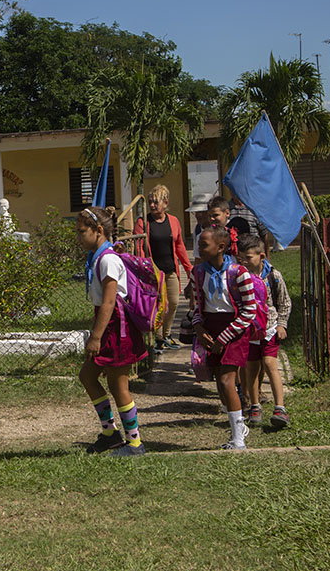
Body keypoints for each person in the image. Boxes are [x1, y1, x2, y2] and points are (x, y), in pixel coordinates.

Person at [78, 206, 148, 456]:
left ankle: (135, 443)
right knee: (87, 376)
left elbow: (109, 303)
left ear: (98, 231)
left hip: (117, 328)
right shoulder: (98, 257)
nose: (79, 237)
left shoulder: (108, 259)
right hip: (107, 323)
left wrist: (95, 337)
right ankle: (110, 434)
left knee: (119, 386)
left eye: (82, 231)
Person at [192, 225, 257, 450]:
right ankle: (238, 425)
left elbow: (250, 310)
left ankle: (238, 438)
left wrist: (226, 336)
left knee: (227, 380)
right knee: (219, 383)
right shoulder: (198, 273)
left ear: (221, 247)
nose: (199, 249)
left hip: (235, 330)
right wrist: (199, 328)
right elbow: (197, 307)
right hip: (211, 329)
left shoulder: (239, 273)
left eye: (204, 245)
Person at [236, 234, 291, 428]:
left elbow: (284, 302)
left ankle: (280, 408)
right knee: (251, 368)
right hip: (249, 330)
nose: (244, 262)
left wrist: (281, 324)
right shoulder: (238, 277)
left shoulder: (273, 276)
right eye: (241, 257)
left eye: (248, 257)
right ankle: (254, 405)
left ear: (262, 256)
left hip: (269, 328)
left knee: (269, 364)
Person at [132, 185, 193, 350]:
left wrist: (188, 269)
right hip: (153, 272)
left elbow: (179, 246)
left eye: (156, 202)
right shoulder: (143, 223)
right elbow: (138, 249)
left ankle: (166, 334)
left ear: (165, 203)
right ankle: (158, 338)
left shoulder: (173, 221)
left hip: (170, 269)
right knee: (159, 305)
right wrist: (143, 270)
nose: (152, 205)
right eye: (150, 202)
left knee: (173, 302)